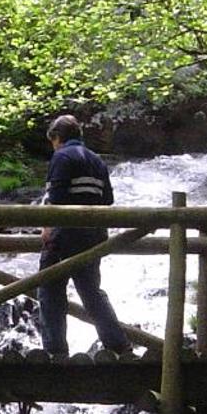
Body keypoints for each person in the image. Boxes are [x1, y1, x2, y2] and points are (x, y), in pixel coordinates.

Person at [36, 114, 132, 357]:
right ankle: (119, 345)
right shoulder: (97, 160)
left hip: (65, 235)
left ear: (58, 138)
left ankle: (55, 352)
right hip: (94, 236)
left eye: (53, 141)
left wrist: (47, 224)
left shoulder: (62, 156)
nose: (53, 146)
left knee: (49, 290)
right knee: (91, 292)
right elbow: (108, 199)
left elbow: (55, 197)